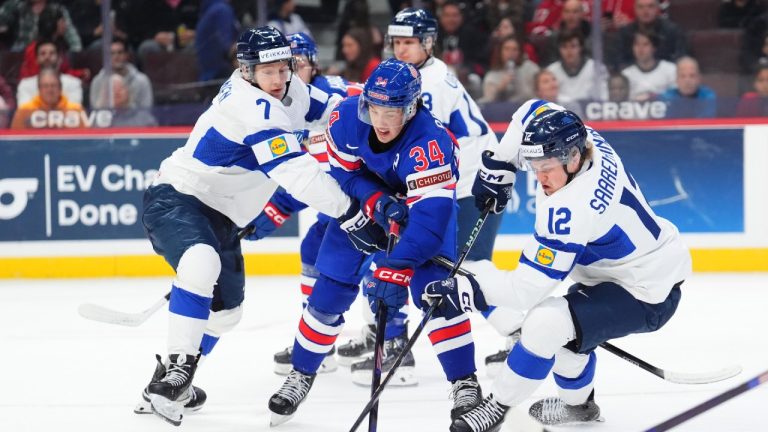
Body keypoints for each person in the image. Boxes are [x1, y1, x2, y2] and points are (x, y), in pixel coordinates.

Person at [134, 26, 385, 427]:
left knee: (226, 313)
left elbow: (336, 107)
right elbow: (297, 174)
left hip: (224, 218)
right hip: (178, 197)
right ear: (246, 70)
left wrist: (384, 101)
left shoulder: (288, 90)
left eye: (283, 67)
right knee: (201, 263)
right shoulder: (252, 108)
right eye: (267, 70)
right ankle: (178, 369)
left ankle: (165, 381)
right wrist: (351, 213)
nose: (278, 78)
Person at [423, 99, 691, 431]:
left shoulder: (572, 210)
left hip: (646, 292)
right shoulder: (587, 140)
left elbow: (525, 290)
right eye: (534, 166)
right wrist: (502, 163)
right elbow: (531, 110)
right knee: (567, 339)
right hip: (646, 265)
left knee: (545, 325)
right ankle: (581, 409)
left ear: (573, 158)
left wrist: (465, 292)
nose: (539, 177)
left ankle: (496, 407)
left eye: (547, 168)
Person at [267, 58, 482, 426]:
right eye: (375, 108)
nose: (380, 120)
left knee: (435, 290)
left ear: (411, 107)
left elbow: (429, 227)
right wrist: (376, 202)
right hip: (370, 207)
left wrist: (393, 267)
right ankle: (301, 373)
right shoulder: (346, 118)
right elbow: (345, 176)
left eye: (392, 111)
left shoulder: (430, 143)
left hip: (422, 212)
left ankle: (465, 381)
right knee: (331, 284)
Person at [336, 7, 516, 385]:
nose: (401, 50)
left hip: (463, 186)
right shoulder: (421, 76)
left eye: (410, 42)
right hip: (448, 182)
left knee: (465, 268)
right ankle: (390, 340)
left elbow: (419, 145)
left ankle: (519, 335)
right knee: (398, 259)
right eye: (396, 42)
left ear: (428, 43)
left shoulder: (425, 88)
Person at [263, 31, 367, 376]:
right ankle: (317, 339)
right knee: (313, 250)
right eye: (283, 66)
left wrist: (275, 210)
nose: (289, 73)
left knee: (383, 266)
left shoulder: (326, 96)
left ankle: (394, 346)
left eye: (297, 64)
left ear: (313, 65)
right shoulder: (289, 103)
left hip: (372, 188)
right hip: (346, 191)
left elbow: (316, 171)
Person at [10, 66, 87, 129]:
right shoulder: (24, 111)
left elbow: (85, 140)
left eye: (53, 85)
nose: (49, 90)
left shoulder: (76, 110)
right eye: (45, 86)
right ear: (39, 89)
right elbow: (16, 141)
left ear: (60, 88)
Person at [90, 37, 153, 110]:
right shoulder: (98, 81)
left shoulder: (142, 80)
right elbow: (95, 111)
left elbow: (147, 110)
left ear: (126, 55)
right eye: (112, 53)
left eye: (120, 52)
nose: (116, 57)